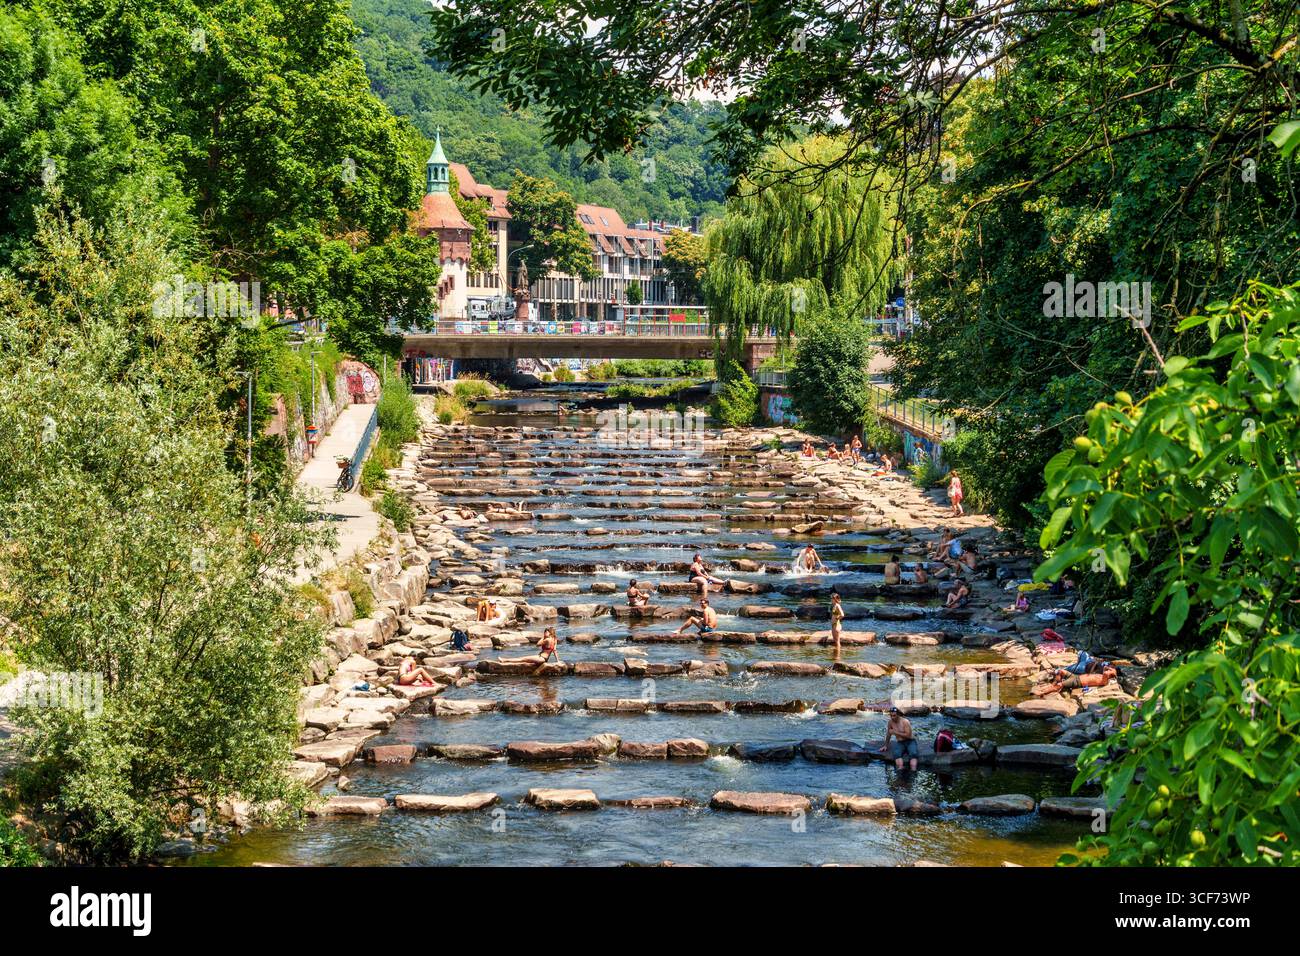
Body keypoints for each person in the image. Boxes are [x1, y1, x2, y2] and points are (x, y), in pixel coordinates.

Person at [1032, 665, 1119, 696]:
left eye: (1110, 671)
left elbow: (1106, 673)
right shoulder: (1103, 675)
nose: (1108, 670)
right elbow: (1104, 668)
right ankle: (1053, 685)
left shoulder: (1104, 680)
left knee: (1060, 685)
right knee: (1061, 671)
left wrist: (1113, 672)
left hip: (1077, 682)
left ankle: (1042, 692)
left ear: (1111, 675)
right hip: (1076, 677)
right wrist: (1109, 668)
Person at [880, 706, 919, 770]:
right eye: (891, 715)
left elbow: (908, 735)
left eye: (894, 715)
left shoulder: (905, 721)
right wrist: (886, 745)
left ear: (898, 714)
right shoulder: (890, 722)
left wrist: (895, 732)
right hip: (900, 742)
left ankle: (913, 770)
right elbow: (889, 734)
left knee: (913, 753)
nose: (892, 717)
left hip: (910, 741)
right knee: (896, 754)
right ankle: (900, 770)